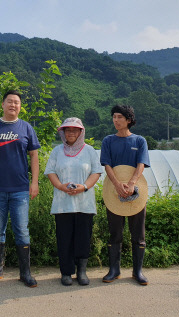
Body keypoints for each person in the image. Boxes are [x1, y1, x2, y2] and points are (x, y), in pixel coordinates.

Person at [0, 90, 41, 288]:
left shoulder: (26, 128)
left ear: (20, 106)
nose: (13, 105)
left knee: (22, 230)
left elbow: (34, 156)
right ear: (2, 104)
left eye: (17, 102)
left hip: (21, 189)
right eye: (10, 101)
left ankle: (25, 272)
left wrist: (35, 182)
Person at [44, 117, 102, 286]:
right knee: (64, 238)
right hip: (63, 203)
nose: (70, 133)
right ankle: (66, 272)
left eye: (74, 130)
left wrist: (83, 187)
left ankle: (82, 271)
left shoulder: (89, 150)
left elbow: (96, 172)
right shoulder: (57, 151)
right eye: (67, 130)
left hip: (84, 203)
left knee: (83, 237)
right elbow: (51, 172)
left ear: (80, 132)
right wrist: (61, 186)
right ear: (63, 133)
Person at [100, 104, 151, 285]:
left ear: (129, 120)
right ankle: (114, 270)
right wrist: (117, 185)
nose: (116, 120)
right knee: (115, 233)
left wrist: (130, 184)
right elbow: (107, 164)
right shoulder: (108, 141)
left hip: (136, 192)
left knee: (138, 234)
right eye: (114, 117)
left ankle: (138, 272)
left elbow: (141, 164)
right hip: (113, 192)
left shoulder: (139, 141)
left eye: (120, 117)